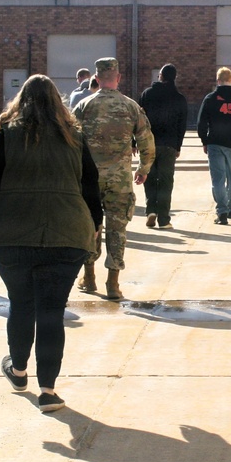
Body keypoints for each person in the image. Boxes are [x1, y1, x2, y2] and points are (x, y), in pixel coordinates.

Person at [0, 75, 103, 413]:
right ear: (58, 102)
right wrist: (95, 225)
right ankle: (49, 392)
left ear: (20, 102)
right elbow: (91, 186)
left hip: (12, 234)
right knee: (51, 311)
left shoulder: (8, 135)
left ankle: (19, 371)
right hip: (67, 234)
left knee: (21, 304)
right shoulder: (74, 137)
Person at [73, 57, 156, 299]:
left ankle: (89, 277)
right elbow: (146, 140)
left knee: (91, 226)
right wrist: (144, 168)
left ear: (96, 80)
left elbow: (69, 140)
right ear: (118, 78)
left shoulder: (84, 106)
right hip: (119, 180)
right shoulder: (131, 107)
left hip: (88, 180)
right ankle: (113, 283)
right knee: (117, 229)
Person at [196, 66, 231, 225]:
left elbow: (201, 123)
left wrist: (204, 141)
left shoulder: (210, 99)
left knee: (218, 179)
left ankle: (222, 212)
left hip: (215, 142)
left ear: (218, 80)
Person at [138, 63, 188, 229]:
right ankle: (164, 219)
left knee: (149, 177)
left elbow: (138, 119)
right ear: (175, 77)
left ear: (160, 76)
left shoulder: (147, 94)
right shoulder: (179, 98)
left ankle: (151, 210)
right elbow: (182, 125)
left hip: (149, 143)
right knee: (166, 181)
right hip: (169, 144)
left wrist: (134, 142)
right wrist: (178, 146)